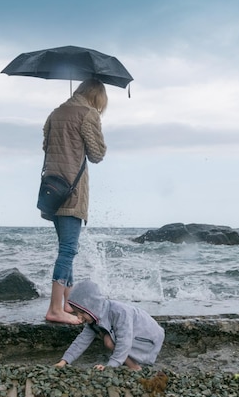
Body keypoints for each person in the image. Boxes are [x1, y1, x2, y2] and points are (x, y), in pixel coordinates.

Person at [43, 79, 108, 325]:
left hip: (52, 188)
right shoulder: (89, 114)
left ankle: (68, 302)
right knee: (68, 249)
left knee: (66, 247)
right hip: (72, 189)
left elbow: (46, 146)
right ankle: (54, 309)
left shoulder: (54, 113)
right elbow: (97, 154)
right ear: (96, 96)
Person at [54, 280, 165, 370]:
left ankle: (135, 368)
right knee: (108, 339)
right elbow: (81, 341)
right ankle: (129, 363)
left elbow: (124, 341)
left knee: (109, 340)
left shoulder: (119, 312)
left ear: (92, 306)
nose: (79, 317)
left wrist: (109, 367)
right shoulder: (94, 318)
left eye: (82, 312)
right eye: (76, 313)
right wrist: (63, 361)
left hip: (150, 339)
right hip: (137, 337)